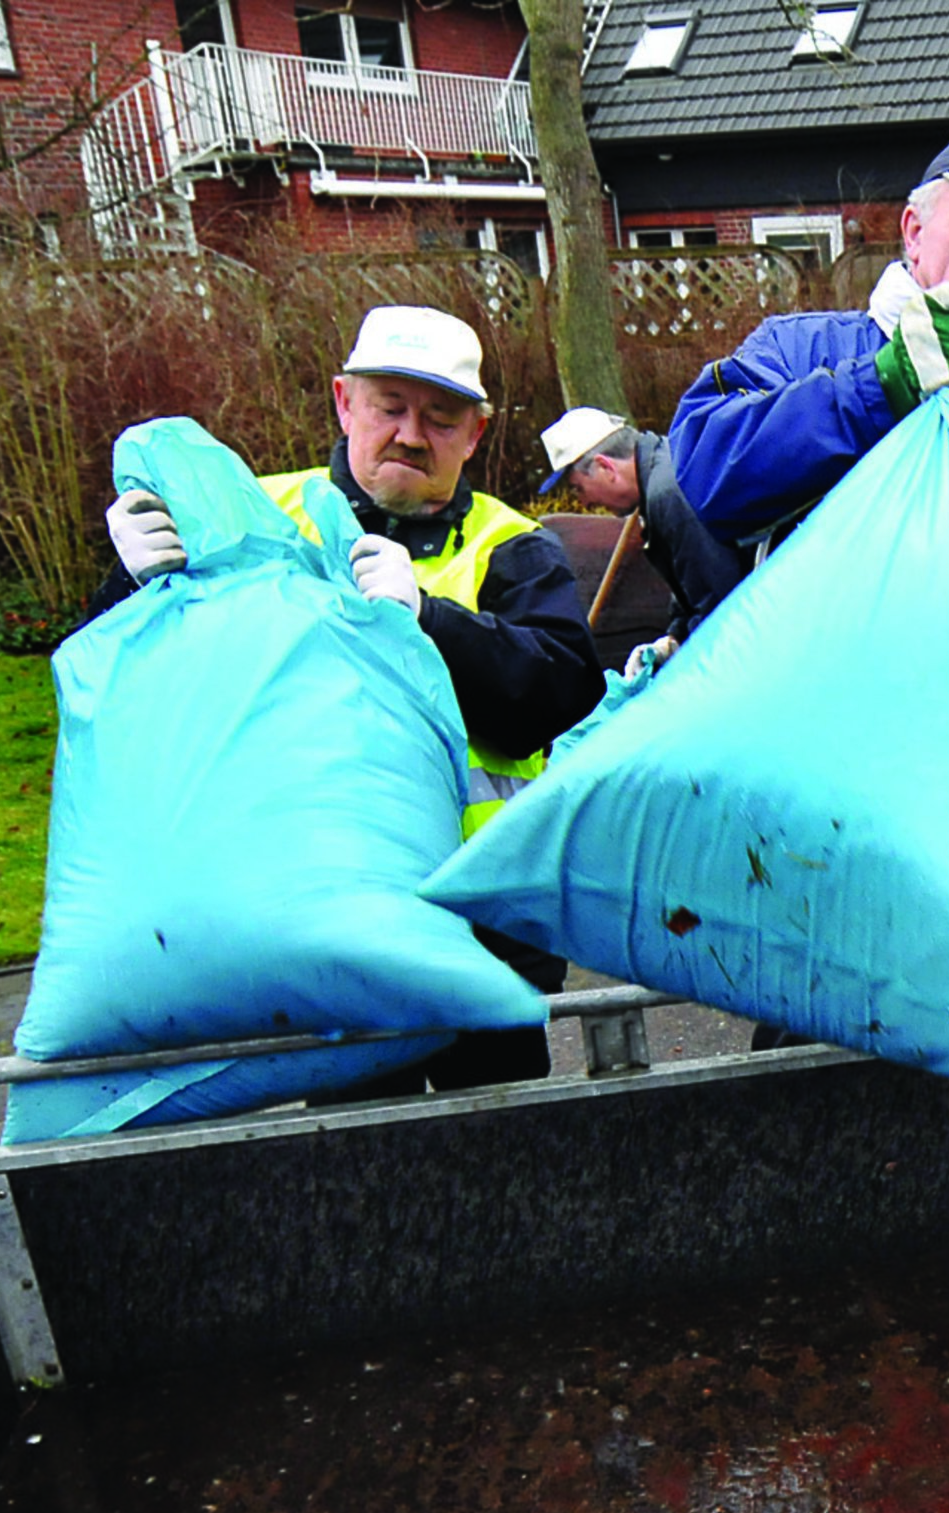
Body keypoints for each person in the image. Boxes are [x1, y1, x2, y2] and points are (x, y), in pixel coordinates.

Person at [103, 304, 606, 1090]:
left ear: (476, 433)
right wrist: (127, 585)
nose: (411, 434)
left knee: (511, 1173)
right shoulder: (254, 519)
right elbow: (140, 687)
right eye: (390, 408)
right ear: (344, 402)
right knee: (363, 1182)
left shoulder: (512, 547)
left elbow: (560, 692)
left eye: (441, 418)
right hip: (326, 927)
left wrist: (430, 621)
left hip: (489, 936)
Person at [666, 124, 949, 648]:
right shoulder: (796, 351)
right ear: (914, 232)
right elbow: (708, 473)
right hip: (795, 703)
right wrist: (880, 388)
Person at [538, 406, 747, 673]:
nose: (584, 503)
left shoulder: (668, 494)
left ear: (605, 467)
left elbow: (720, 605)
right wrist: (673, 638)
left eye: (579, 488)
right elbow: (692, 581)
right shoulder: (665, 464)